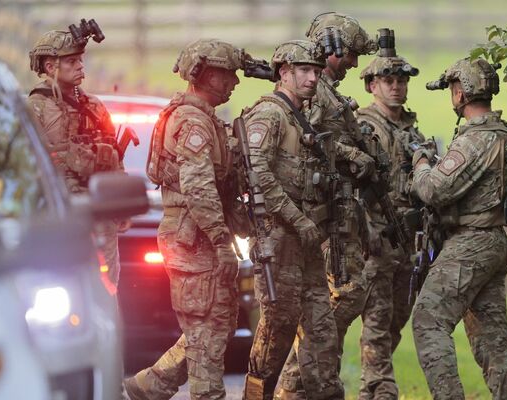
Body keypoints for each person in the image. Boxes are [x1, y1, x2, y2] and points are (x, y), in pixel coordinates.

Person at [123, 38, 246, 400]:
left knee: (218, 324)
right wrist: (223, 242)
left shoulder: (205, 119)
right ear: (203, 75)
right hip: (193, 241)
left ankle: (153, 383)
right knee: (205, 331)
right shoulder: (191, 122)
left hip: (200, 238)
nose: (234, 82)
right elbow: (199, 189)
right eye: (227, 75)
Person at [276, 12, 378, 399]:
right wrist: (356, 156)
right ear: (333, 49)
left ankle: (309, 384)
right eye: (350, 54)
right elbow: (310, 141)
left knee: (335, 300)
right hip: (321, 214)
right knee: (341, 297)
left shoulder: (328, 91)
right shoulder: (314, 92)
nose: (354, 62)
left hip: (340, 210)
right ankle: (294, 384)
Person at [409, 57, 507, 400]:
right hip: (494, 243)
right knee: (493, 340)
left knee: (428, 321)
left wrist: (421, 162)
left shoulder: (475, 140)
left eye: (451, 91)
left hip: (471, 244)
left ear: (460, 93)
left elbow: (432, 190)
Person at [241, 40, 344, 400]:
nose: (312, 78)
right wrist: (297, 220)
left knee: (322, 331)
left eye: (316, 71)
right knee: (278, 329)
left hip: (307, 240)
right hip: (279, 239)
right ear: (284, 73)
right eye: (304, 71)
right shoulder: (269, 115)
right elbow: (259, 175)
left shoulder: (300, 116)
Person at [27, 22, 127, 285]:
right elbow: (26, 166)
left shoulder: (94, 106)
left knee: (108, 287)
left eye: (80, 60)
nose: (80, 66)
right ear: (51, 67)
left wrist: (123, 205)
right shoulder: (34, 108)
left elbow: (116, 156)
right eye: (71, 61)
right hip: (58, 218)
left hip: (100, 216)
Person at [355, 49, 424, 399]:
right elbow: (353, 187)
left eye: (401, 81)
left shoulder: (411, 128)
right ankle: (379, 390)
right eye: (388, 81)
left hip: (407, 239)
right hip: (376, 237)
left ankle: (372, 386)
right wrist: (367, 232)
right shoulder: (364, 127)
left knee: (397, 318)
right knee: (378, 320)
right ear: (372, 85)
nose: (396, 87)